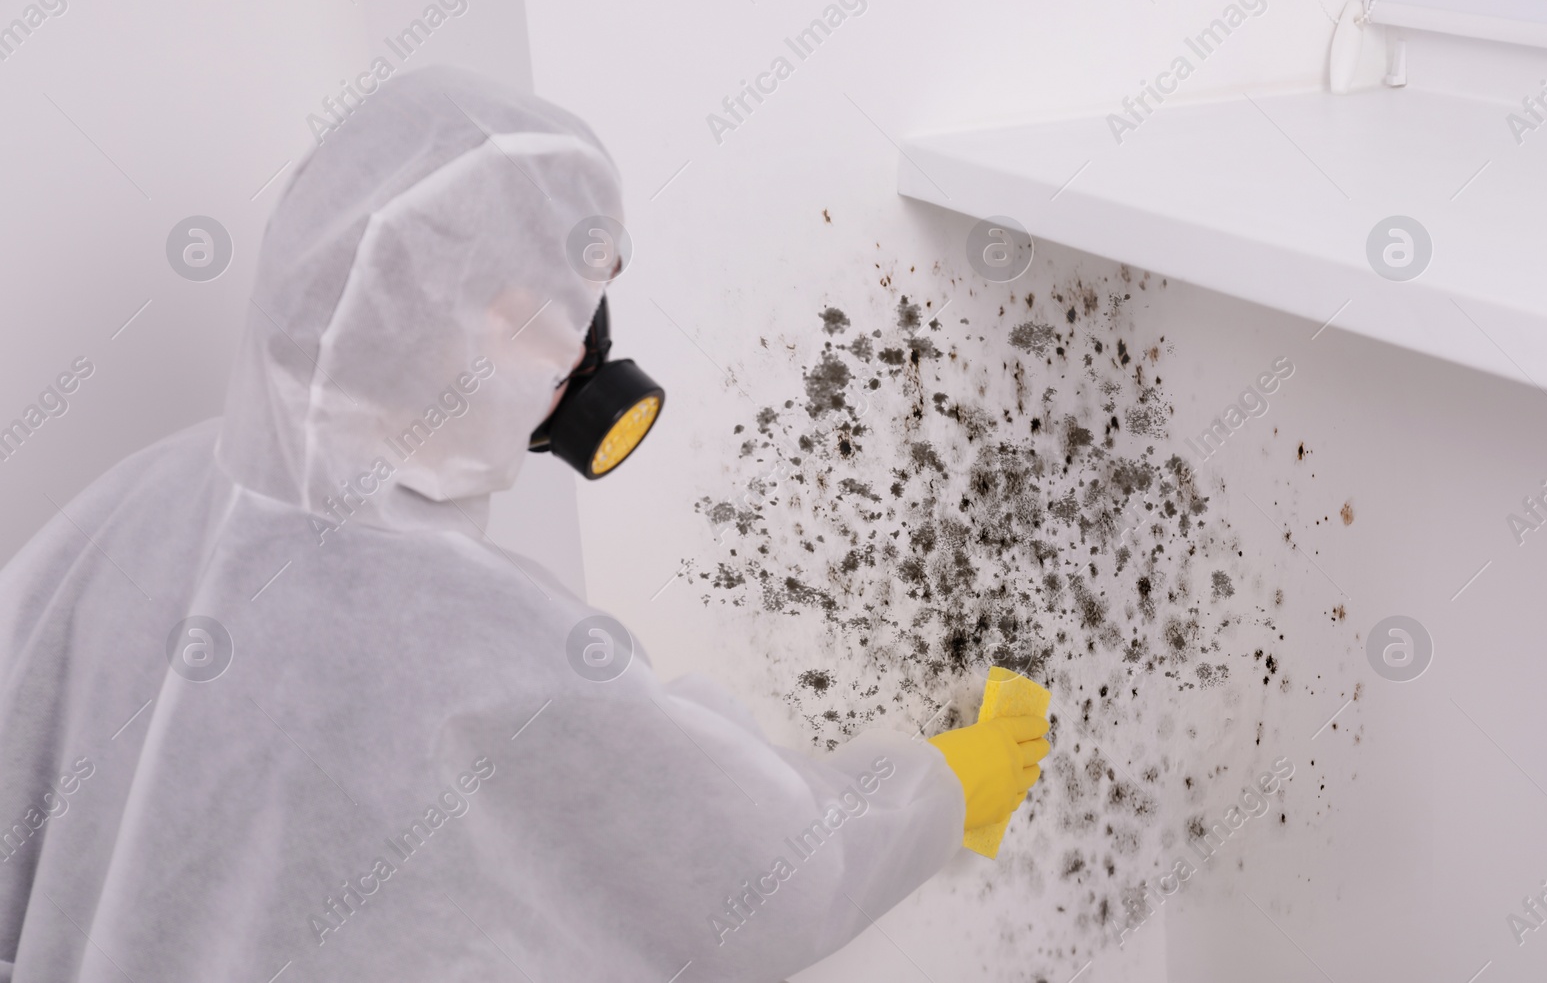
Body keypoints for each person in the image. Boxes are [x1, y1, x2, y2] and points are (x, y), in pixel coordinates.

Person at [0, 67, 1048, 982]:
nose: (579, 347)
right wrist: (943, 790)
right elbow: (755, 864)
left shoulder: (128, 512)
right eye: (564, 300)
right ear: (485, 315)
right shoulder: (460, 640)